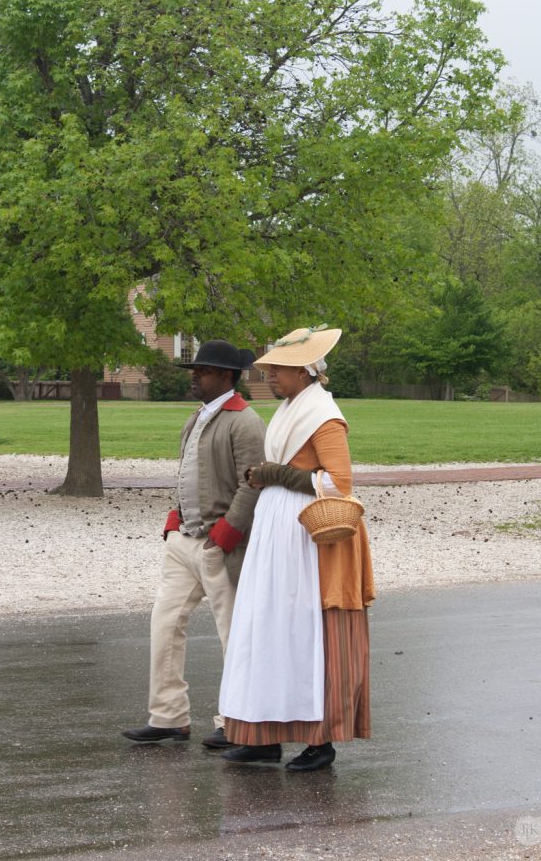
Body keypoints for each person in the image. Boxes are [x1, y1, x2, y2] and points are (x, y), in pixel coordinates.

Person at [218, 326, 375, 771]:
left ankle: (318, 740)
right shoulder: (292, 410)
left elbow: (339, 483)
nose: (270, 377)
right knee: (266, 626)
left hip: (302, 536)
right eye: (269, 370)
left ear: (305, 373)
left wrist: (277, 476)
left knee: (299, 631)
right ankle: (262, 734)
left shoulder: (323, 416)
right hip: (276, 527)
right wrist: (267, 475)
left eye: (279, 371)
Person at [123, 339, 266, 749]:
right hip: (184, 540)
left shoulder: (246, 421)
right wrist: (174, 520)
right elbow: (187, 474)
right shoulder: (197, 418)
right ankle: (168, 716)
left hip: (221, 545)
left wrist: (226, 534)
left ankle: (235, 721)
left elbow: (253, 484)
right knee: (164, 626)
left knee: (233, 636)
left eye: (202, 371)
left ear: (225, 376)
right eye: (196, 371)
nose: (195, 377)